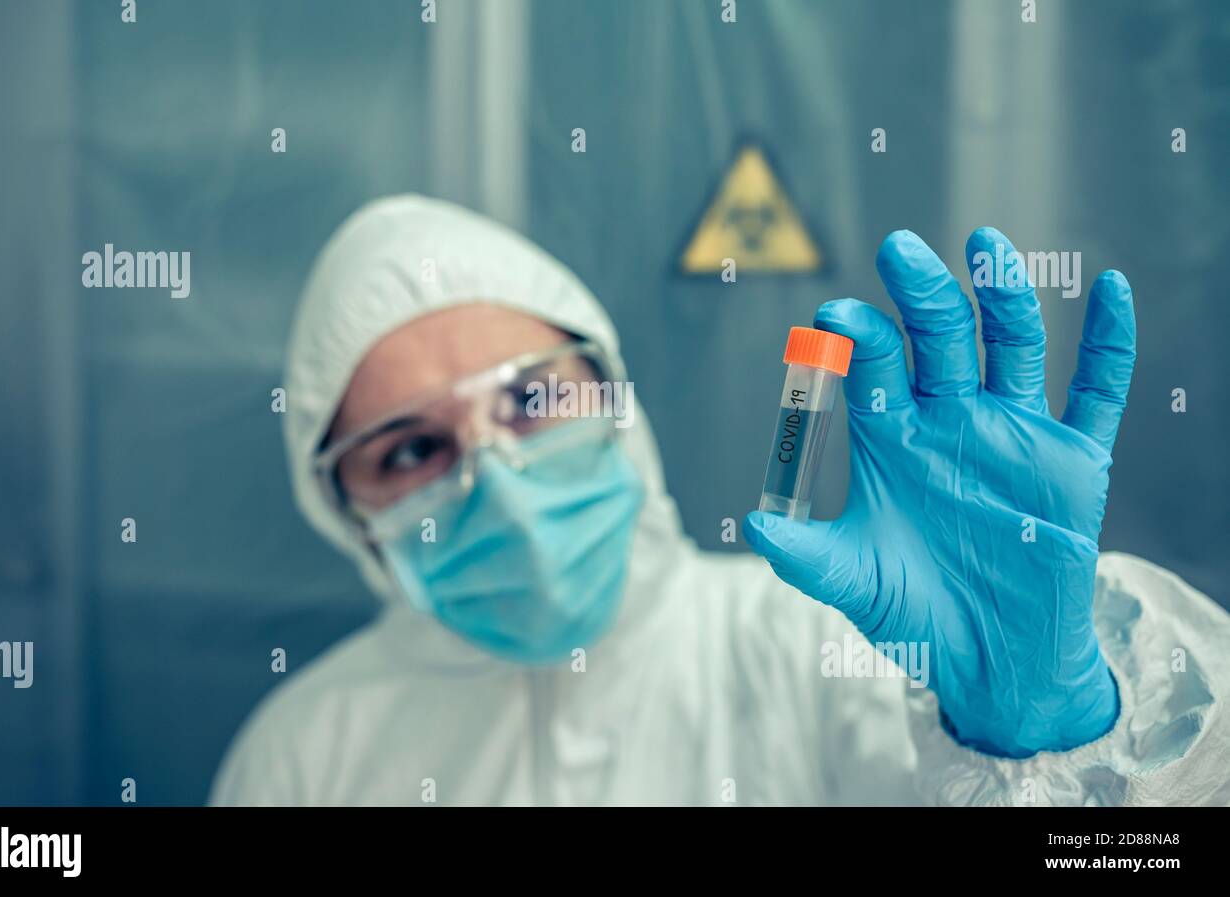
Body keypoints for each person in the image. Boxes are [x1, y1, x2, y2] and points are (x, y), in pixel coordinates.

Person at [209, 194, 1229, 806]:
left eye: (530, 398)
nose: (498, 484)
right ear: (345, 512)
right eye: (411, 449)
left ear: (616, 398)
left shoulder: (827, 648)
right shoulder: (305, 753)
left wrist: (1049, 735)